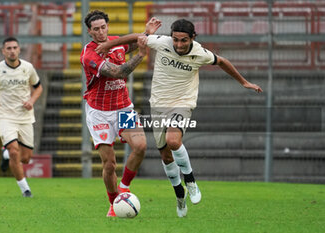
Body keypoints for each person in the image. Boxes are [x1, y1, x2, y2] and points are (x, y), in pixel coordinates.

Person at [96, 18, 263, 217]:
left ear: (192, 38)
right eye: (175, 40)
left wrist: (244, 82)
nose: (179, 45)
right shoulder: (162, 42)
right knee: (166, 156)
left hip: (183, 103)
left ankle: (191, 181)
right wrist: (109, 44)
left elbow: (223, 62)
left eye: (183, 40)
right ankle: (179, 196)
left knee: (173, 140)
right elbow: (138, 37)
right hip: (158, 105)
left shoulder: (200, 53)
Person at [80, 10, 161, 217]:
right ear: (89, 31)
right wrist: (141, 55)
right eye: (95, 29)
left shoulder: (115, 42)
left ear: (107, 26)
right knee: (109, 164)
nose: (100, 32)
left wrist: (146, 34)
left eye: (103, 27)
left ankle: (124, 188)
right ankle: (113, 203)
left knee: (141, 146)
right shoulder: (89, 54)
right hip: (99, 113)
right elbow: (119, 72)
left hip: (123, 107)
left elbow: (135, 43)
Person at [0, 37, 43, 197]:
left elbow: (38, 87)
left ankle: (6, 154)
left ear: (19, 49)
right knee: (15, 151)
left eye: (15, 47)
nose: (12, 51)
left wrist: (31, 101)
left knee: (26, 158)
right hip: (5, 116)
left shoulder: (28, 68)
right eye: (9, 48)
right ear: (3, 51)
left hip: (25, 116)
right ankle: (25, 190)